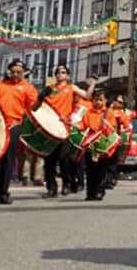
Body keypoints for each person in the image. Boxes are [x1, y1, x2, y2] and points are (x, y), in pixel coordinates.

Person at [0, 60, 37, 205]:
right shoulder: (1, 85)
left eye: (19, 72)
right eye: (13, 72)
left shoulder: (27, 88)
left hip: (14, 125)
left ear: (23, 73)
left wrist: (41, 99)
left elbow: (34, 107)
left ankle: (3, 193)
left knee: (8, 160)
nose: (15, 74)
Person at [40, 65, 94, 198]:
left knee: (65, 159)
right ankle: (51, 188)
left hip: (64, 128)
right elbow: (39, 106)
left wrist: (93, 83)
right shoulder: (50, 90)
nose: (60, 75)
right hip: (49, 128)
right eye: (58, 72)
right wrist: (40, 96)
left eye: (63, 72)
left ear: (68, 76)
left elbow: (87, 96)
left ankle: (67, 185)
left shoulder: (71, 88)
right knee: (49, 161)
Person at [80, 90, 114, 202]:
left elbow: (112, 127)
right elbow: (82, 126)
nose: (98, 102)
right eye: (96, 99)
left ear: (105, 101)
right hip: (91, 145)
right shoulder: (88, 112)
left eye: (101, 100)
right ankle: (90, 193)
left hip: (103, 144)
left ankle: (100, 191)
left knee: (101, 170)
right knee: (90, 170)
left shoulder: (108, 113)